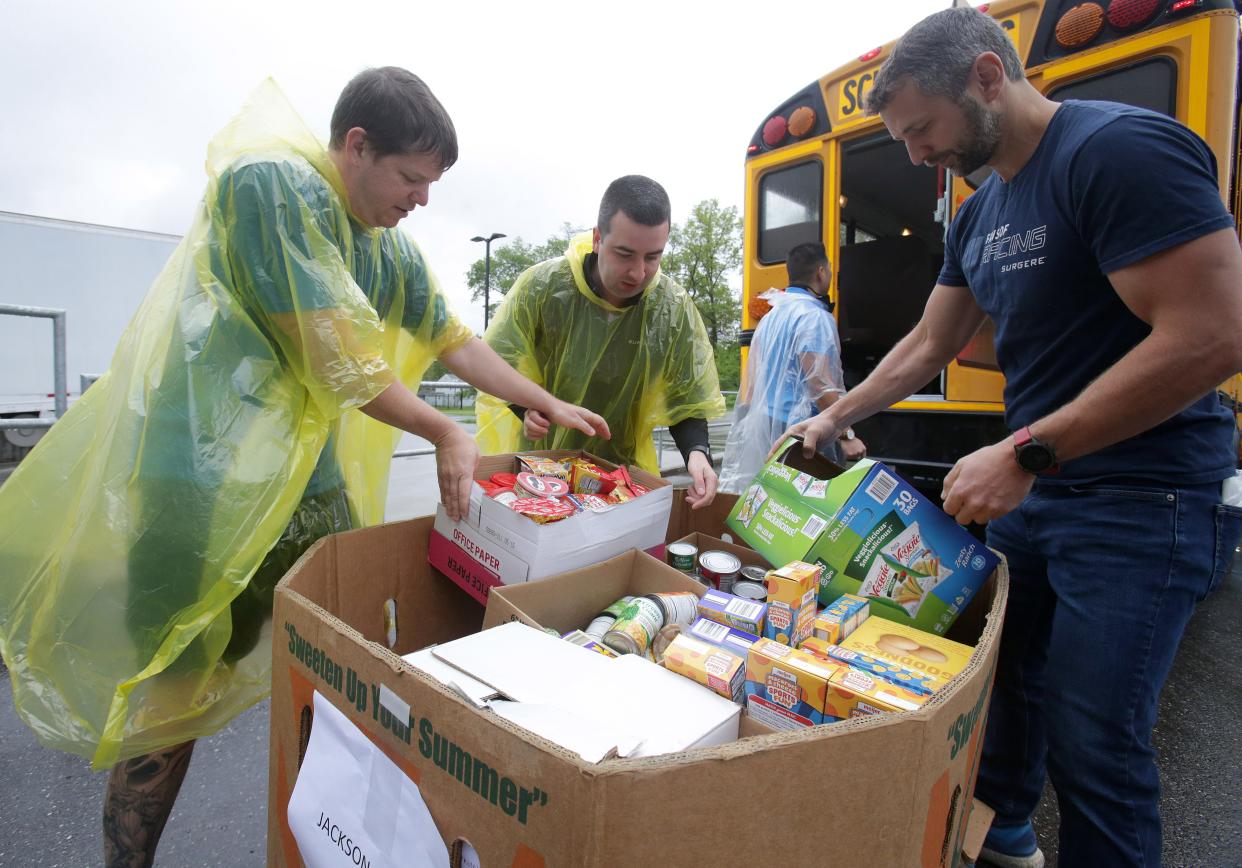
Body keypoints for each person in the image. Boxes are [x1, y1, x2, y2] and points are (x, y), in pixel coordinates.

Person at [0, 68, 607, 868]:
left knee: (347, 670)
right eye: (412, 178)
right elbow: (332, 352)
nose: (422, 200)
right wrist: (441, 432)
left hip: (304, 487)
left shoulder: (386, 247)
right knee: (170, 702)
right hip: (197, 484)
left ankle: (330, 847)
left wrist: (548, 403)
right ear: (357, 146)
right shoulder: (269, 189)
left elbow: (452, 338)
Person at [784, 8, 1242, 867]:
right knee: (1004, 688)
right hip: (1047, 491)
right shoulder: (979, 210)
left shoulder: (1117, 152)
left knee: (1094, 740)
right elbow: (932, 341)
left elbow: (1212, 334)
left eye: (922, 128)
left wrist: (1028, 451)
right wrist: (834, 414)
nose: (915, 154)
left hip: (1144, 495)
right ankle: (1004, 842)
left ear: (989, 77)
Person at [475, 175, 726, 509]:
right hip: (541, 467)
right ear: (597, 239)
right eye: (624, 254)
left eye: (653, 257)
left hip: (620, 477)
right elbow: (496, 360)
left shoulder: (671, 308)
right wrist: (526, 407)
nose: (637, 273)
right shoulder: (543, 288)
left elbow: (687, 396)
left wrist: (698, 454)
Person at [718, 242, 865, 493]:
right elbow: (820, 384)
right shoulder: (814, 318)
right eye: (829, 269)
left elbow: (751, 385)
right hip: (802, 435)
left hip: (766, 427)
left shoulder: (770, 318)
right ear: (821, 272)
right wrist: (846, 435)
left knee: (772, 505)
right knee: (807, 510)